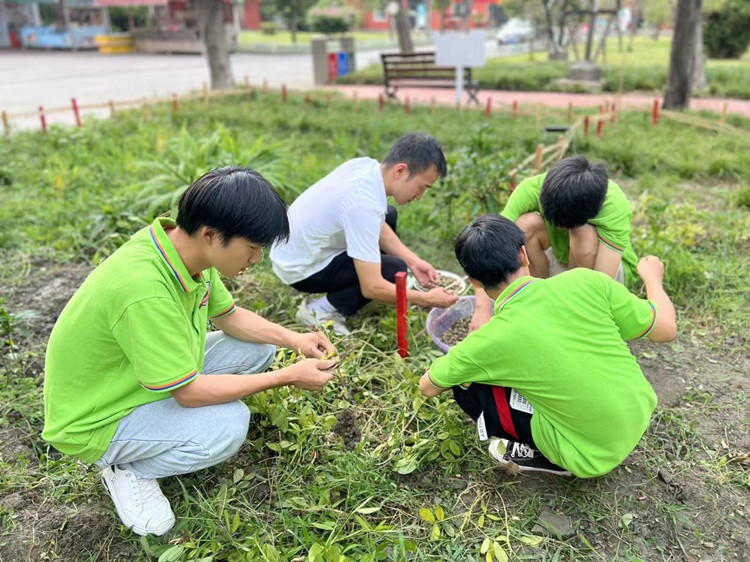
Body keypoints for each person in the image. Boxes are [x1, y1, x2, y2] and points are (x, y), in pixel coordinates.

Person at [42, 167, 338, 537]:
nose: (256, 259)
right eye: (252, 247)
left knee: (258, 346)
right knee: (228, 425)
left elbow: (229, 317)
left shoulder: (184, 251)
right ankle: (128, 467)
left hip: (135, 379)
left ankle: (150, 438)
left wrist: (294, 340)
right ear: (211, 234)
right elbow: (189, 393)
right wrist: (287, 376)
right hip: (96, 417)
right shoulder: (145, 289)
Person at [419, 214, 676, 478]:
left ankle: (553, 457)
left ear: (474, 281)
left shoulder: (488, 340)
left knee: (466, 388)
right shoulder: (586, 281)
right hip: (638, 413)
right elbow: (666, 329)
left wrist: (468, 358)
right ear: (523, 254)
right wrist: (652, 277)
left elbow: (427, 387)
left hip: (592, 455)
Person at [270, 132, 458, 335]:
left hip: (292, 250)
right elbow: (371, 287)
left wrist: (414, 261)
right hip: (300, 269)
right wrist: (428, 299)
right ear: (401, 171)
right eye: (422, 187)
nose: (420, 196)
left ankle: (372, 283)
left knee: (389, 216)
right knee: (393, 271)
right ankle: (319, 310)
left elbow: (375, 223)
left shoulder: (366, 167)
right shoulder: (363, 204)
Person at [471, 155, 639, 330]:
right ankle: (539, 297)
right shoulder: (533, 188)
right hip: (563, 259)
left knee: (584, 234)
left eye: (565, 225)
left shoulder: (613, 206)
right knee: (525, 224)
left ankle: (572, 311)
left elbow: (602, 282)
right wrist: (483, 307)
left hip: (603, 272)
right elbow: (491, 242)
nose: (559, 229)